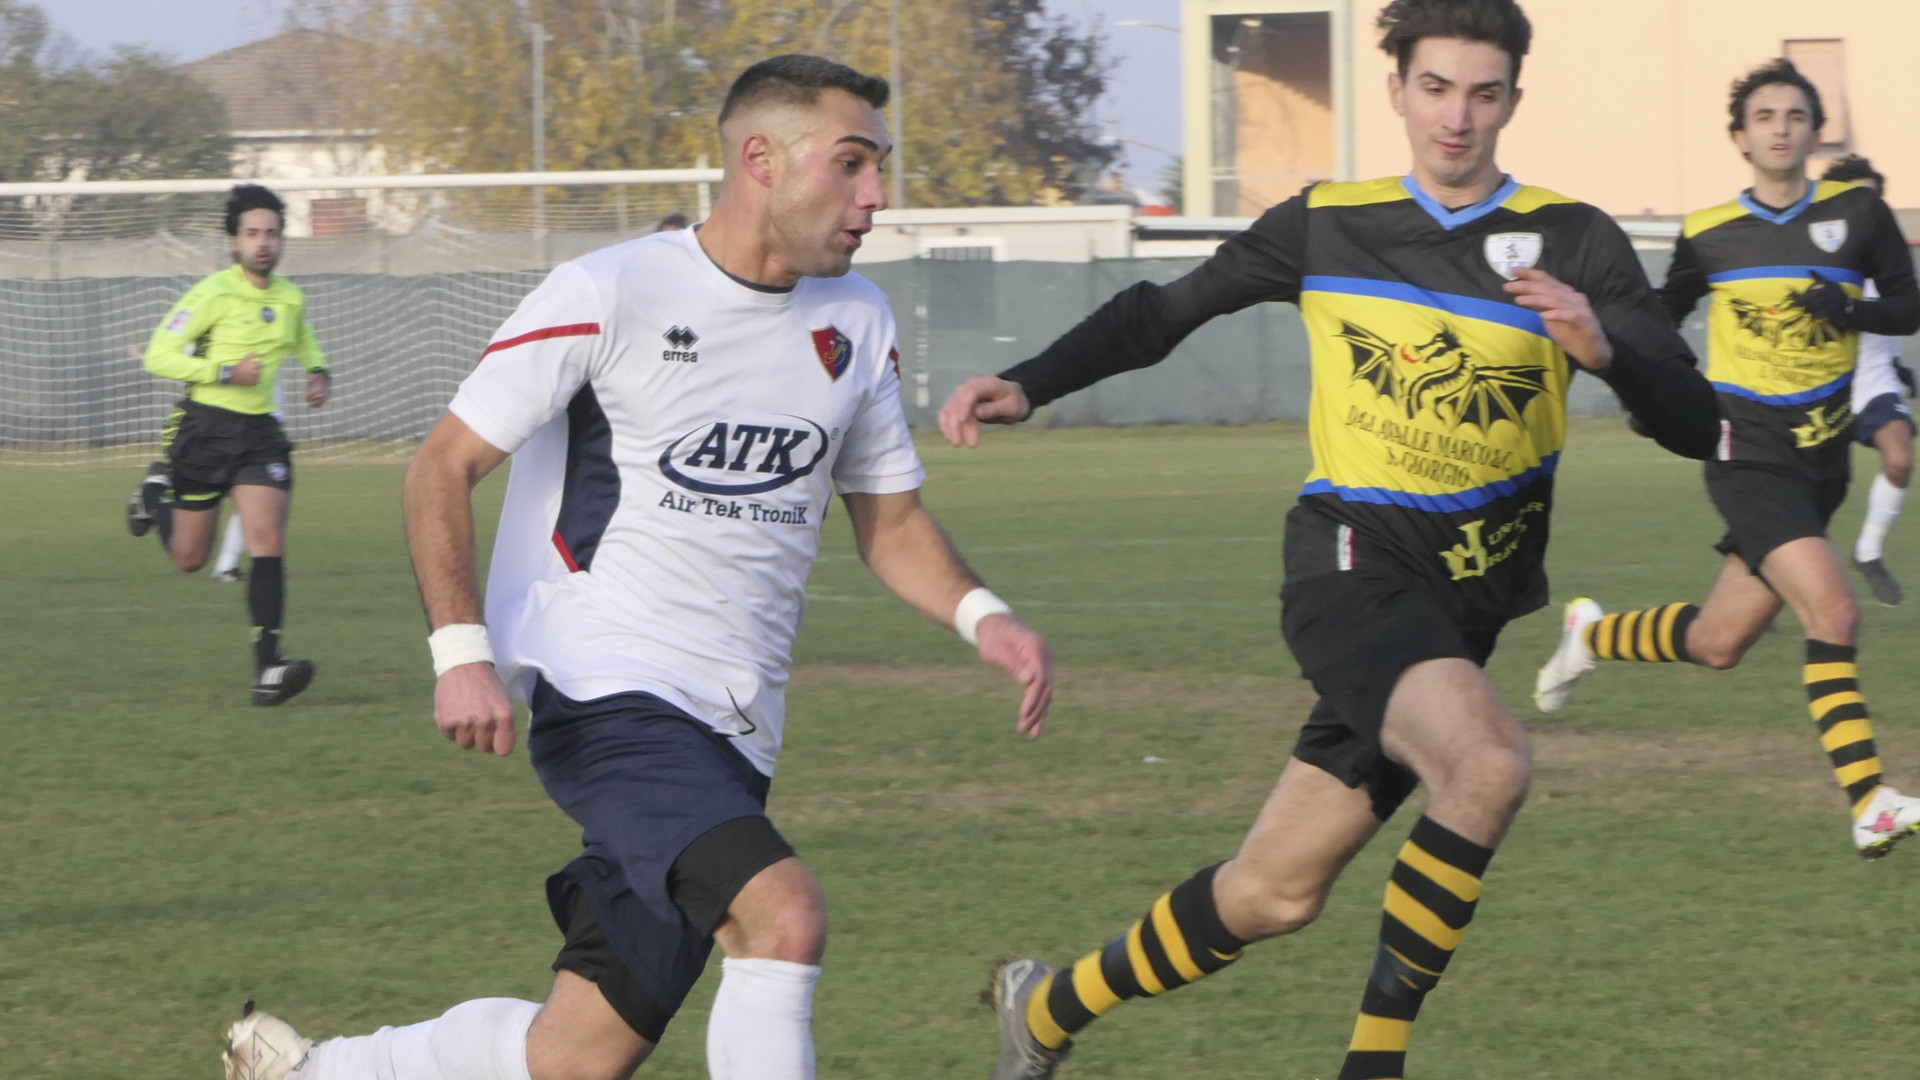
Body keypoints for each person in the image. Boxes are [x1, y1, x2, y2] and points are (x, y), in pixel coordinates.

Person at [220, 54, 1055, 1080]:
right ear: (760, 160)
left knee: (575, 1055)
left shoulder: (858, 321)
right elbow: (444, 465)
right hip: (605, 692)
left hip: (735, 729)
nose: (875, 196)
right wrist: (460, 653)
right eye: (851, 165)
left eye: (878, 168)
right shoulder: (609, 292)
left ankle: (311, 1074)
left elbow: (888, 521)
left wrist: (985, 616)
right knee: (782, 918)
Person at [938, 3, 1717, 1078]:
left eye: (1483, 93)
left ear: (1513, 103)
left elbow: (1693, 421)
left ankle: (1049, 1007)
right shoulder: (1329, 221)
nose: (1458, 117)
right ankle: (1375, 1064)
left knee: (1272, 894)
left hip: (1460, 615)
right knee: (1486, 765)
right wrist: (1030, 383)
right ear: (1396, 89)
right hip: (1350, 570)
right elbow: (1168, 310)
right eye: (1436, 87)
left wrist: (1602, 351)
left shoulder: (1575, 241)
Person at [1535, 60, 1920, 859]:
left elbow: (1909, 305)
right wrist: (1657, 394)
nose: (1780, 127)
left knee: (1718, 642)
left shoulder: (1858, 214)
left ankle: (1593, 637)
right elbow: (1656, 315)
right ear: (1739, 136)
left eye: (1795, 114)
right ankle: (1870, 800)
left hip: (1822, 465)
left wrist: (1849, 309)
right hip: (1746, 452)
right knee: (1834, 612)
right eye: (1764, 116)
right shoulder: (1710, 230)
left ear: (1816, 130)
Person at [130, 183, 329, 705]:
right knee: (190, 557)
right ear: (234, 241)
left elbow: (301, 335)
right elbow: (158, 355)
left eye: (271, 233)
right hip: (205, 430)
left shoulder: (289, 297)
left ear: (282, 240)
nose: (263, 242)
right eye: (252, 233)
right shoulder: (212, 293)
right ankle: (154, 492)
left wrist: (317, 371)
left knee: (268, 541)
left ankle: (268, 670)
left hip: (260, 436)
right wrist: (224, 370)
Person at [1820, 155, 1913, 605]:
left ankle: (1868, 552)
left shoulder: (1888, 260)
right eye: (1861, 198)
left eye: (1877, 198)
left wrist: (1898, 369)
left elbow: (1898, 317)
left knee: (1899, 458)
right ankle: (1757, 566)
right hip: (1821, 389)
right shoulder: (1815, 259)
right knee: (1800, 494)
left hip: (1875, 385)